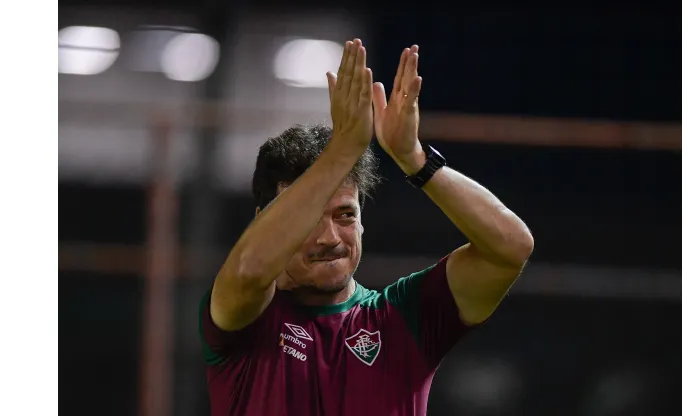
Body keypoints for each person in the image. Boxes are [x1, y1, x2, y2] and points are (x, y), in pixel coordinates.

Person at [199, 38, 534, 416]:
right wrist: (342, 150)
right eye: (309, 219)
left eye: (345, 215)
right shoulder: (246, 314)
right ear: (265, 220)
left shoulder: (404, 317)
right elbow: (248, 271)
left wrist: (415, 160)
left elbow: (510, 247)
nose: (330, 238)